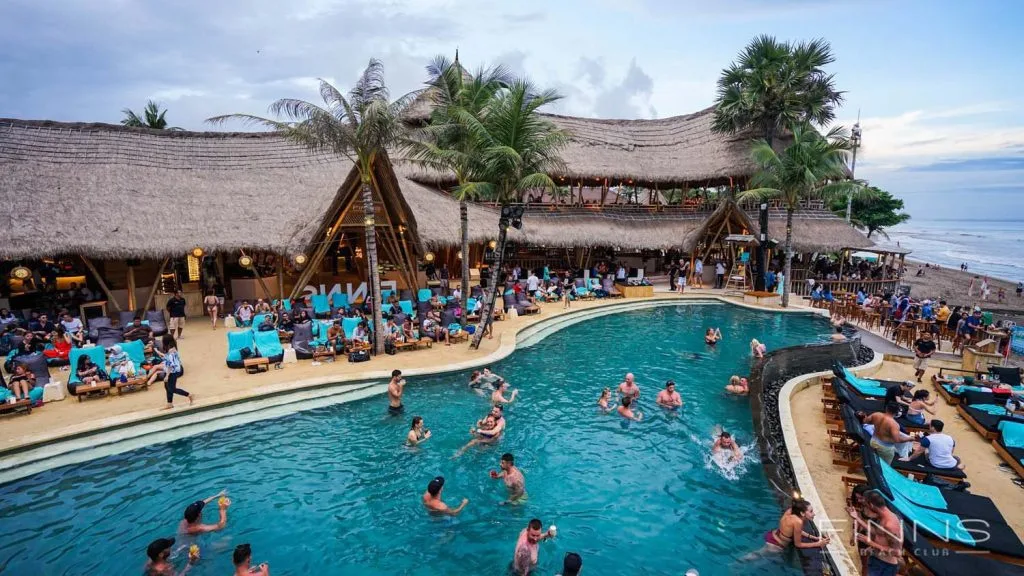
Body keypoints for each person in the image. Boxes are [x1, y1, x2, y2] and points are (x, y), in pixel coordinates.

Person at [851, 491, 902, 576]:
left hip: (884, 566)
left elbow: (897, 552)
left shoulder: (890, 525)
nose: (866, 509)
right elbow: (878, 532)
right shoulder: (883, 517)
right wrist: (857, 518)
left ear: (871, 505)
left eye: (866, 506)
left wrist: (870, 543)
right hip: (876, 560)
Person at [763, 499, 830, 551]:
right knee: (758, 557)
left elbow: (796, 531)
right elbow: (798, 544)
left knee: (758, 556)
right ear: (802, 513)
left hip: (772, 535)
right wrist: (818, 544)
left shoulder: (791, 511)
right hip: (776, 545)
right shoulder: (798, 522)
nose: (814, 514)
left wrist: (813, 537)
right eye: (811, 511)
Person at [159, 335, 191, 409]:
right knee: (167, 387)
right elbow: (168, 359)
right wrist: (159, 353)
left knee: (172, 389)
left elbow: (171, 365)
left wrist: (167, 376)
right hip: (171, 370)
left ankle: (189, 395)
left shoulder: (171, 350)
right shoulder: (172, 348)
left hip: (173, 371)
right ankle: (169, 404)